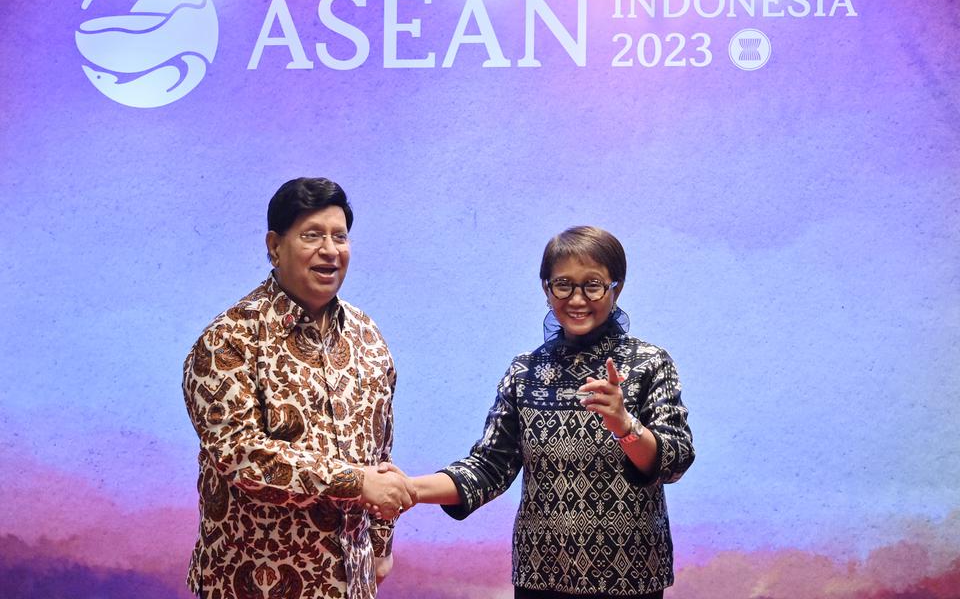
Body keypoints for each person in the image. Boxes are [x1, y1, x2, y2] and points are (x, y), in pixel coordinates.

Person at [395, 226, 694, 598]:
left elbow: (675, 460)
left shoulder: (650, 363)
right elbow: (489, 467)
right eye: (563, 284)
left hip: (630, 577)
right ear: (546, 288)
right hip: (541, 576)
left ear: (616, 288)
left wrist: (624, 425)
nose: (578, 298)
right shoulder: (525, 372)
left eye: (594, 284)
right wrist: (409, 489)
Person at [181, 177, 415, 599]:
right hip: (252, 582)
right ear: (274, 246)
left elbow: (380, 454)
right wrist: (355, 482)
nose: (330, 250)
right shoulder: (229, 340)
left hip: (352, 583)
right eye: (312, 236)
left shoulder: (367, 336)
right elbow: (241, 456)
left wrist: (381, 544)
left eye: (339, 237)